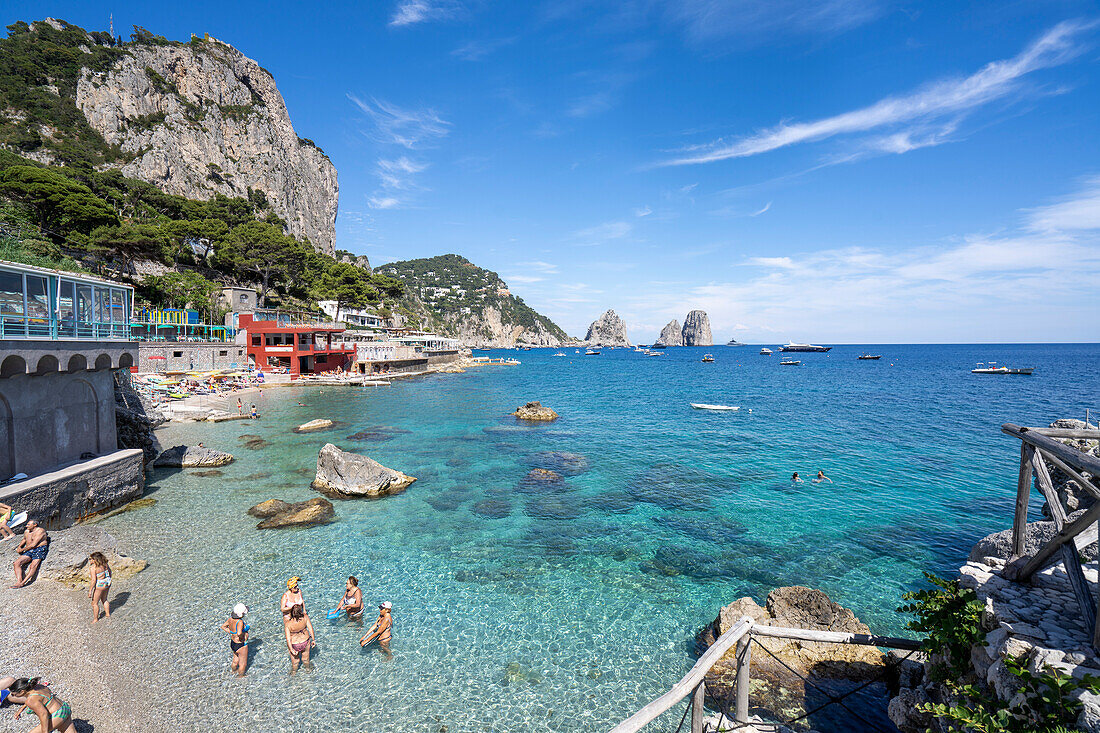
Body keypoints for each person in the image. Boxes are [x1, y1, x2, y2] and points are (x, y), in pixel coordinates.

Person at [5, 677, 75, 733]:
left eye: (13, 694)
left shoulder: (31, 700)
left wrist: (45, 731)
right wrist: (21, 709)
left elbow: (43, 714)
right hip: (64, 707)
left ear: (22, 691)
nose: (13, 696)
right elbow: (36, 699)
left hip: (57, 715)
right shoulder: (38, 687)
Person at [11, 520, 49, 588]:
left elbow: (33, 544)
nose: (26, 526)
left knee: (33, 566)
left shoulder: (40, 531)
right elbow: (24, 539)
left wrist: (22, 549)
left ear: (35, 525)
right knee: (16, 563)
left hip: (39, 549)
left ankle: (23, 583)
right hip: (29, 550)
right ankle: (19, 581)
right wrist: (19, 547)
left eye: (28, 524)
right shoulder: (27, 531)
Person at [220, 603, 250, 677]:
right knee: (243, 663)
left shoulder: (230, 619)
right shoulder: (240, 622)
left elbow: (223, 626)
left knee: (235, 660)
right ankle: (241, 676)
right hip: (241, 644)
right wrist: (244, 633)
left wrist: (232, 632)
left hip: (233, 643)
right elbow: (239, 633)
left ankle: (233, 671)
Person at [284, 605, 315, 673]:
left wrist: (291, 649)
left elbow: (288, 638)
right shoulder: (305, 617)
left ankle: (294, 673)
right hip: (305, 641)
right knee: (305, 659)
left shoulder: (288, 624)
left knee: (295, 662)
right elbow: (310, 629)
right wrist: (313, 639)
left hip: (294, 644)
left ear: (291, 613)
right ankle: (308, 670)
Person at [87, 551, 111, 623]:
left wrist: (90, 591)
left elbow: (93, 580)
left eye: (90, 559)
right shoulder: (105, 564)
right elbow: (110, 572)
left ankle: (95, 619)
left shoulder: (93, 568)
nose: (89, 560)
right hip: (107, 582)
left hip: (100, 584)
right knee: (104, 599)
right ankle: (107, 614)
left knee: (94, 603)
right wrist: (108, 580)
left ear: (95, 560)